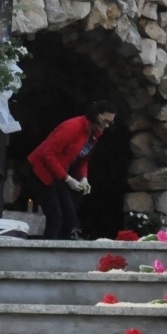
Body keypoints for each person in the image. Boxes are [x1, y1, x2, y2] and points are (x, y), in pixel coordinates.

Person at [28, 99, 117, 240]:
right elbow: (47, 153)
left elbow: (82, 159)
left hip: (58, 173)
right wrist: (68, 179)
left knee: (69, 220)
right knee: (55, 217)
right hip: (41, 171)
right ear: (96, 115)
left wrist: (83, 178)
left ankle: (60, 252)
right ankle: (47, 256)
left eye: (110, 123)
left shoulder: (94, 133)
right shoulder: (72, 127)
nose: (107, 125)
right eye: (105, 121)